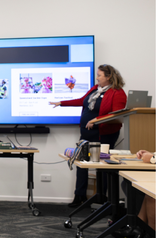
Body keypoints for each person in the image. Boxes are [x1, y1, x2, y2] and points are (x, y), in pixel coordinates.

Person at [50, 64, 127, 207]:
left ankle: (101, 199)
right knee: (81, 163)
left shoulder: (117, 93)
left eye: (99, 75)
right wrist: (61, 103)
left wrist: (96, 120)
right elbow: (82, 101)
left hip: (104, 134)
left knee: (102, 166)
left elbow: (116, 115)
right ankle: (79, 196)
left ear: (109, 77)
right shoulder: (95, 90)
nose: (97, 77)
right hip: (86, 133)